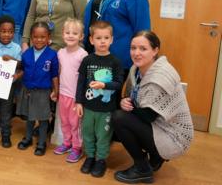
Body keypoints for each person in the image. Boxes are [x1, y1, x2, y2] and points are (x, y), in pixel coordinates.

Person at [113, 31, 193, 184]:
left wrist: (126, 107)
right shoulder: (137, 70)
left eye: (143, 49)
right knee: (122, 115)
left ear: (155, 50)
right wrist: (125, 101)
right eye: (133, 48)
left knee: (118, 118)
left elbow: (148, 116)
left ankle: (142, 169)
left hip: (174, 137)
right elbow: (135, 98)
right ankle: (156, 156)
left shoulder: (159, 77)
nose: (136, 53)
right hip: (160, 125)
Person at [75, 21, 124, 178]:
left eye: (106, 37)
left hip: (106, 109)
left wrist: (104, 84)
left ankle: (100, 160)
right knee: (87, 133)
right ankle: (90, 157)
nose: (102, 41)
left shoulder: (115, 62)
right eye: (98, 38)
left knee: (103, 136)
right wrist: (78, 102)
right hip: (88, 107)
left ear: (111, 39)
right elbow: (81, 83)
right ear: (91, 40)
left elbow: (118, 84)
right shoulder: (87, 60)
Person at [16, 22, 59, 156]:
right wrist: (16, 76)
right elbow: (23, 70)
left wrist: (56, 90)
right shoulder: (26, 53)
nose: (39, 40)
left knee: (43, 118)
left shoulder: (52, 55)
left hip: (43, 91)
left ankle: (41, 143)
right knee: (29, 116)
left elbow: (54, 75)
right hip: (28, 90)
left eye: (42, 37)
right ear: (31, 37)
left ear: (48, 37)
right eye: (35, 37)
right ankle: (28, 138)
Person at [53, 18, 88, 163]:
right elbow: (59, 73)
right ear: (63, 34)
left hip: (76, 97)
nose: (71, 35)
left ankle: (77, 148)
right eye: (67, 32)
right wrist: (56, 91)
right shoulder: (60, 53)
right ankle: (67, 143)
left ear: (81, 36)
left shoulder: (83, 55)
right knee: (65, 121)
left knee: (75, 124)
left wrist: (81, 99)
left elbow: (85, 79)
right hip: (63, 94)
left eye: (75, 33)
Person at [0, 15, 21, 148]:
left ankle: (6, 135)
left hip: (8, 86)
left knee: (6, 112)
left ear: (14, 32)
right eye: (3, 31)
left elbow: (20, 65)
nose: (7, 34)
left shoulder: (16, 48)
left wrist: (12, 59)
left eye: (10, 31)